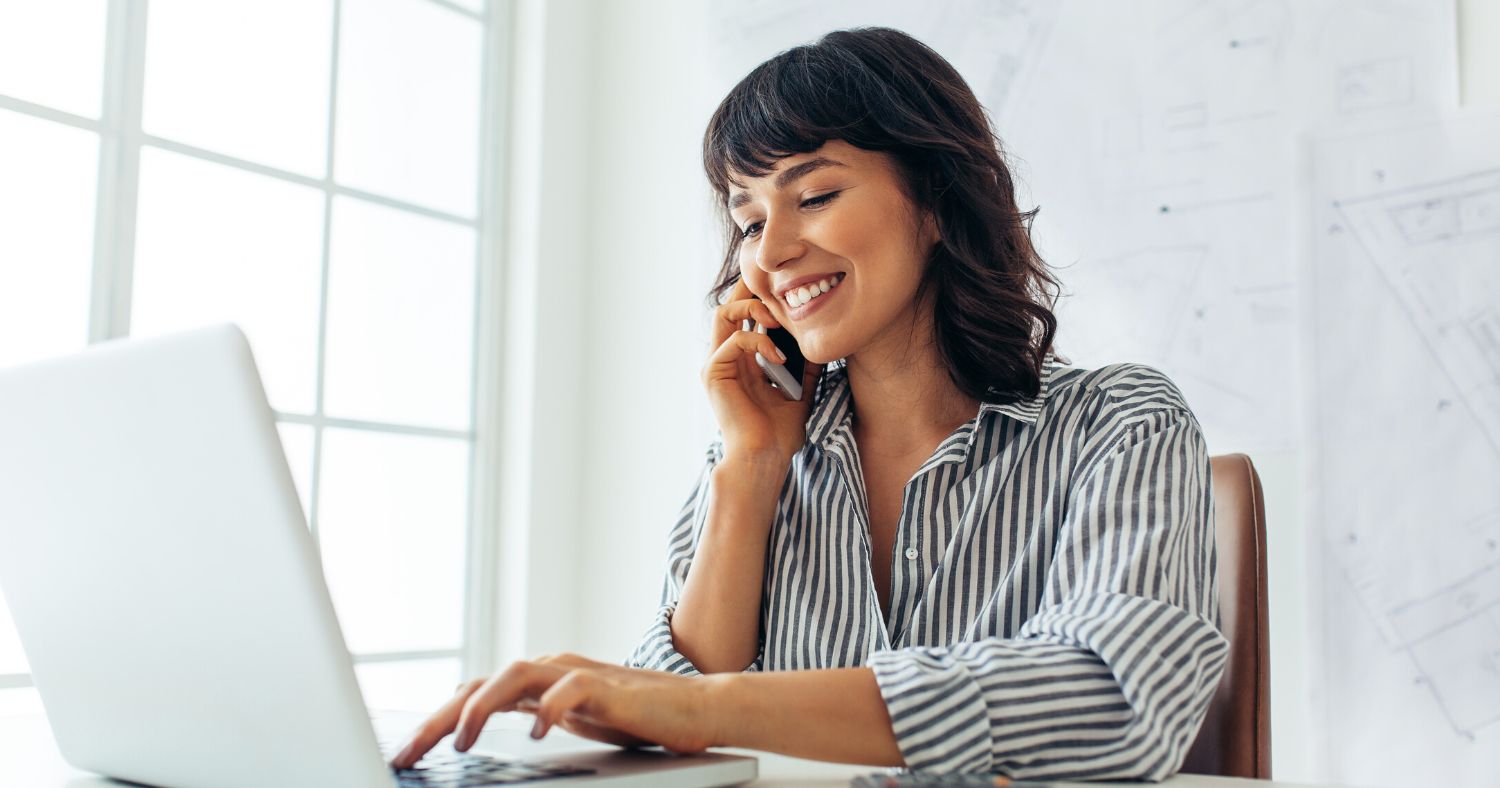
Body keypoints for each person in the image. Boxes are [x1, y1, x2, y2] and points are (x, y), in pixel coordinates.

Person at [391, 27, 1226, 781]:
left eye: (815, 196)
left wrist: (699, 709)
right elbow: (666, 718)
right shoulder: (761, 456)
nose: (774, 252)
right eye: (748, 221)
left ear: (936, 201)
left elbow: (1117, 697)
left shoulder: (1120, 423)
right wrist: (751, 468)